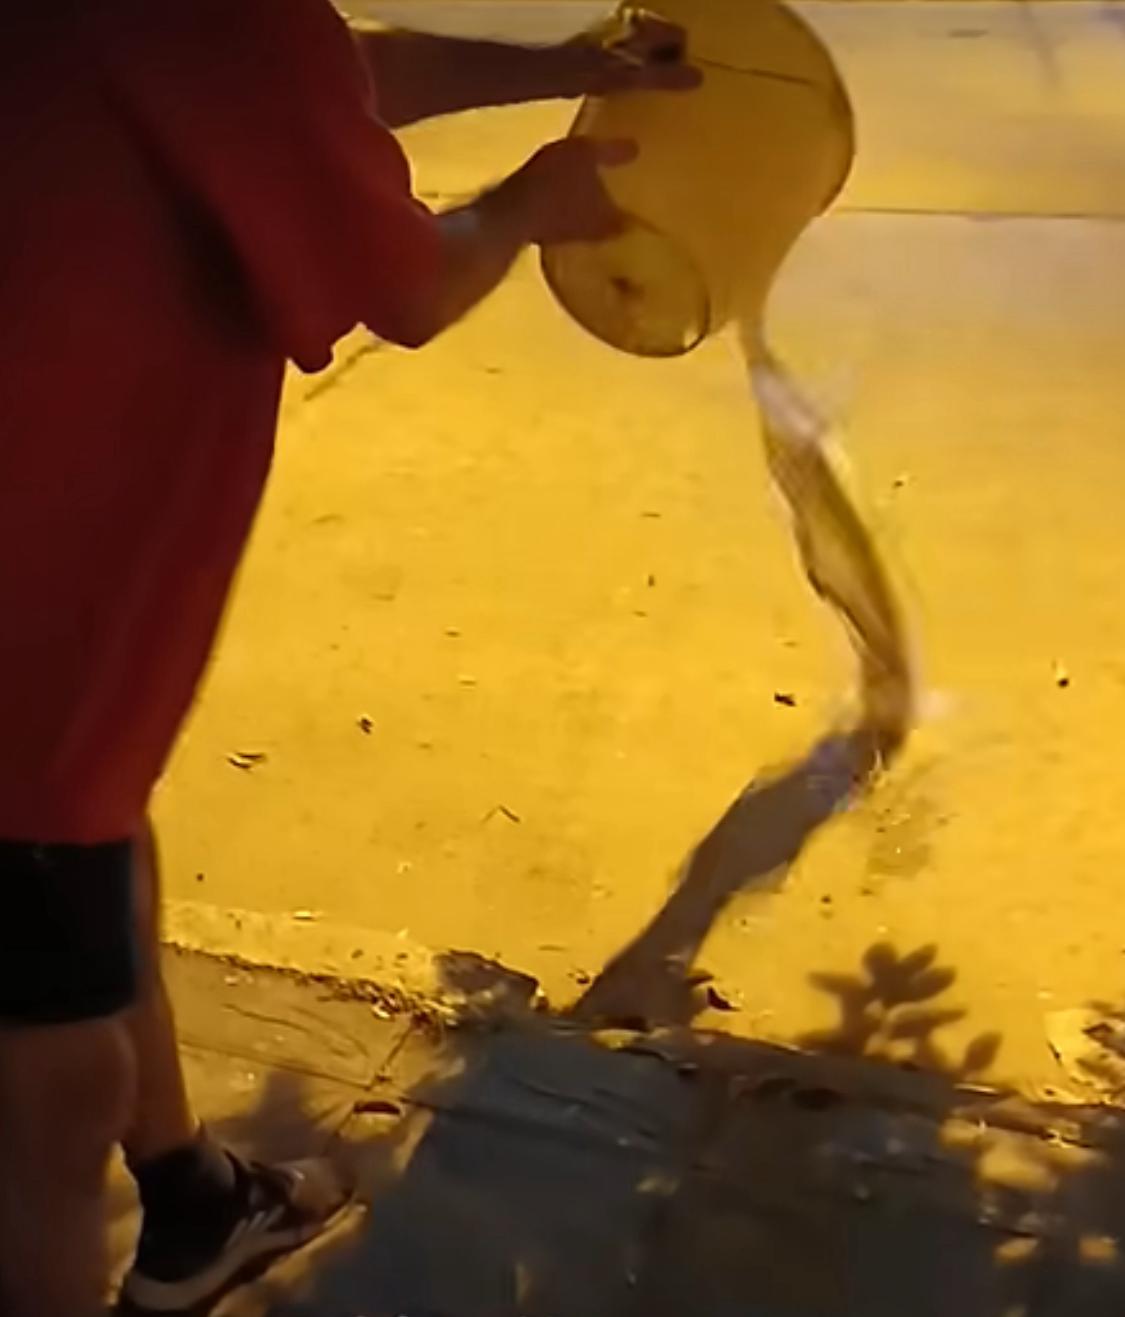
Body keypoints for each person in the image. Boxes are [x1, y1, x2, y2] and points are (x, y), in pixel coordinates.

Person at [0, 3, 698, 1315]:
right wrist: (529, 201)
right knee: (43, 1113)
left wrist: (561, 71)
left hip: (55, 704)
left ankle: (194, 1200)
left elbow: (333, 75)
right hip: (26, 663)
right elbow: (412, 285)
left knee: (110, 847)